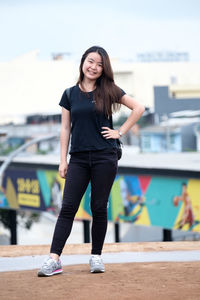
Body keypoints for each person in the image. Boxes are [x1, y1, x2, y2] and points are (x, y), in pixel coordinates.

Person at [37, 46, 145, 277]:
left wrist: (120, 131)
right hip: (77, 158)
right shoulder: (69, 94)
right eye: (91, 61)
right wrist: (62, 160)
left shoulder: (109, 89)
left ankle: (96, 256)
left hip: (105, 156)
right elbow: (65, 128)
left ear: (104, 69)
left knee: (98, 207)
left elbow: (139, 107)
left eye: (99, 65)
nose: (94, 67)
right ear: (83, 62)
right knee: (67, 208)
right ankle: (54, 259)